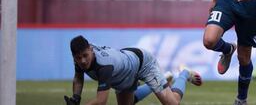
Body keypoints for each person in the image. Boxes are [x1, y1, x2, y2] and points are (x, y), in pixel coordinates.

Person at [64, 35, 202, 105]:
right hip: (124, 69)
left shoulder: (104, 67)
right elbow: (78, 76)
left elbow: (101, 101)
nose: (82, 61)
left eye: (85, 56)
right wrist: (76, 97)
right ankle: (163, 79)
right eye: (78, 57)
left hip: (143, 63)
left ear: (91, 49)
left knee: (173, 103)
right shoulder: (81, 54)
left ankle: (183, 73)